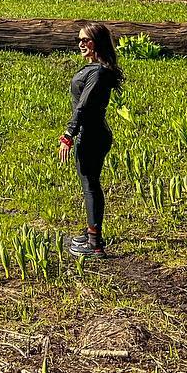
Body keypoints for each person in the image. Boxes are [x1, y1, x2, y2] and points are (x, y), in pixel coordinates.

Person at [56, 21, 124, 258]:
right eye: (79, 40)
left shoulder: (98, 72)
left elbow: (83, 107)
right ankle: (91, 232)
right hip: (93, 134)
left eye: (85, 40)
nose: (81, 44)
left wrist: (68, 134)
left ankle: (94, 243)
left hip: (91, 136)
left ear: (97, 42)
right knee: (90, 184)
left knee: (90, 186)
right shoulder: (96, 69)